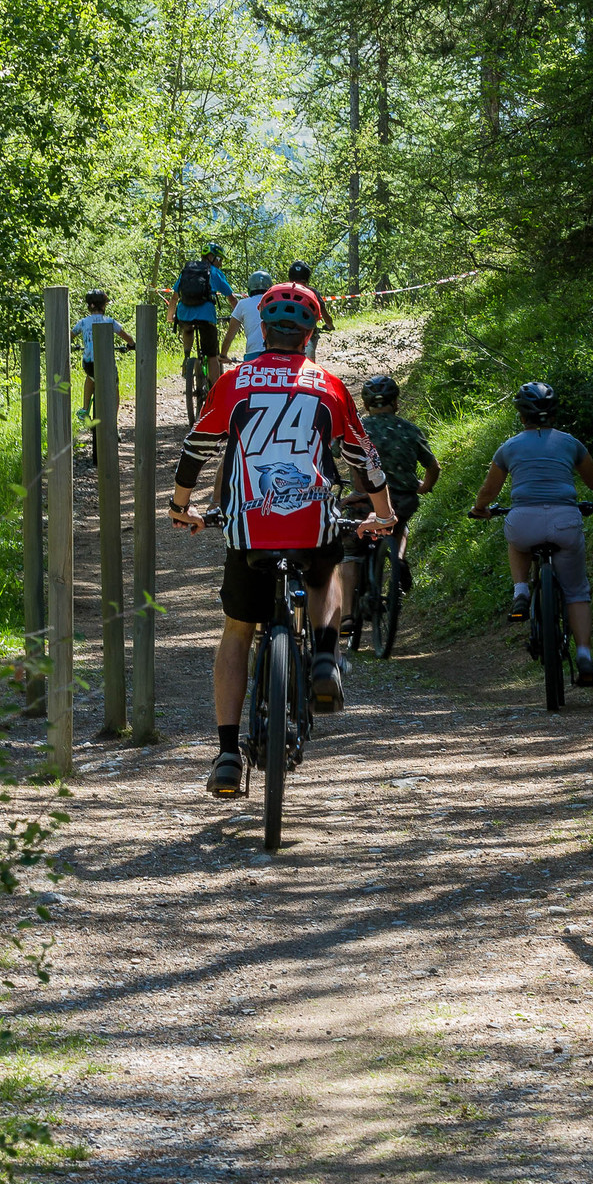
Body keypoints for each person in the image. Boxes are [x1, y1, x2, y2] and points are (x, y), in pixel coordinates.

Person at [169, 282, 396, 797]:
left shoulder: (234, 381)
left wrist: (181, 506)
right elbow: (364, 458)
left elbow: (196, 448)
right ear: (309, 335)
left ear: (263, 330)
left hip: (249, 526)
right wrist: (382, 514)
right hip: (310, 520)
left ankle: (228, 754)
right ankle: (324, 656)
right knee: (326, 569)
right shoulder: (329, 385)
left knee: (236, 632)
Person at [469, 380, 593, 687]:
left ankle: (521, 591)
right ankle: (584, 655)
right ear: (554, 413)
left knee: (517, 541)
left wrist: (480, 508)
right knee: (576, 591)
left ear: (521, 415)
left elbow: (489, 489)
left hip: (524, 519)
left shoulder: (509, 447)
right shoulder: (570, 444)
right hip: (566, 520)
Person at [342, 373, 439, 613]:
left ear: (366, 405)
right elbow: (433, 467)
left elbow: (335, 450)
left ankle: (346, 616)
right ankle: (398, 560)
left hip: (365, 503)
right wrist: (424, 487)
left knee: (350, 551)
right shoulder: (409, 430)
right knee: (399, 526)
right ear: (396, 402)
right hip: (402, 501)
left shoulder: (356, 430)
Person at [162, 242, 235, 387]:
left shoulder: (187, 271)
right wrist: (241, 315)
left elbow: (174, 297)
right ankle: (215, 390)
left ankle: (187, 357)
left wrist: (170, 316)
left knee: (187, 327)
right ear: (211, 257)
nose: (221, 263)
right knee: (212, 355)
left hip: (184, 314)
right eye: (219, 259)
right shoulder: (215, 273)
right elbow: (231, 298)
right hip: (206, 316)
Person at [73, 290, 134, 433]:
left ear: (89, 306)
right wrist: (131, 344)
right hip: (107, 365)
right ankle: (113, 423)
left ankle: (85, 409)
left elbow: (70, 335)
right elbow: (127, 337)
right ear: (103, 306)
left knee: (90, 378)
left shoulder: (83, 322)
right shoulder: (110, 321)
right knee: (115, 388)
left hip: (89, 364)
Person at [221, 270, 273, 362]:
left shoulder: (242, 304)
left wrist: (223, 355)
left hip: (253, 355)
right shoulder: (275, 303)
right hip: (274, 354)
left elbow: (230, 335)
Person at [287, 260, 334, 356]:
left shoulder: (283, 290)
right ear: (307, 276)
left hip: (283, 333)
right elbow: (324, 313)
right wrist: (330, 325)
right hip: (306, 334)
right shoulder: (312, 292)